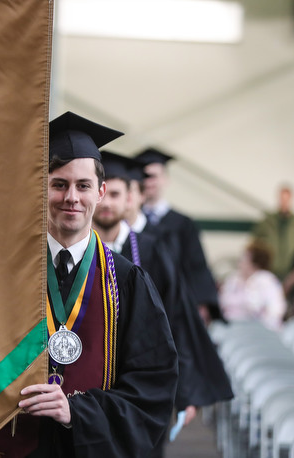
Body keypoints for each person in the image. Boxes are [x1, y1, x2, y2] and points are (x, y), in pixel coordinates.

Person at [0, 112, 178, 457]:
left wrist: (77, 411)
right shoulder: (3, 277)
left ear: (101, 192)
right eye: (58, 184)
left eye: (83, 186)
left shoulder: (127, 282)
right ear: (39, 187)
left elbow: (151, 386)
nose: (71, 197)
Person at [92, 152, 233, 444]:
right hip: (90, 381)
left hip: (140, 382)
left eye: (116, 194)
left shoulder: (152, 251)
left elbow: (176, 321)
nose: (106, 204)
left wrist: (185, 392)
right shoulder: (76, 252)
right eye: (102, 194)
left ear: (131, 197)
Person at [134, 147, 221, 324]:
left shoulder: (183, 223)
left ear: (166, 179)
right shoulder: (131, 223)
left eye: (154, 176)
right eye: (145, 176)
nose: (149, 181)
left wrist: (202, 303)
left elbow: (197, 266)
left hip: (178, 308)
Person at [219, 240, 286, 330]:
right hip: (231, 328)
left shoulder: (267, 281)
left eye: (245, 258)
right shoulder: (233, 280)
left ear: (256, 264)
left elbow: (276, 310)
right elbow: (222, 304)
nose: (240, 262)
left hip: (258, 330)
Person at [252, 185, 294, 279]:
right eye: (282, 199)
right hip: (271, 269)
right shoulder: (268, 222)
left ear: (291, 200)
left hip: (291, 270)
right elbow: (255, 241)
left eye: (286, 199)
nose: (284, 203)